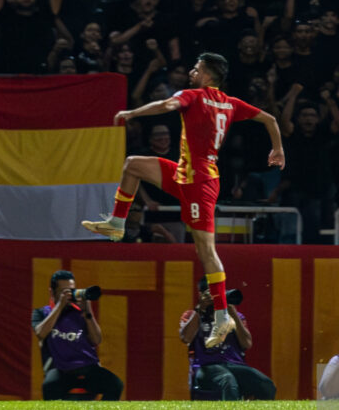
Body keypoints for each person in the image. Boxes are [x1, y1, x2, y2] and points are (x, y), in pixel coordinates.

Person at [82, 52, 285, 348]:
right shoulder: (230, 102)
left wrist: (133, 113)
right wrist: (278, 149)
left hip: (199, 182)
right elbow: (270, 119)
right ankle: (116, 223)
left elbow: (166, 105)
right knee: (133, 164)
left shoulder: (194, 95)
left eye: (196, 67)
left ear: (206, 74)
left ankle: (221, 315)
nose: (191, 71)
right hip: (186, 173)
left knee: (205, 250)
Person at [32, 270, 122, 401]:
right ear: (52, 292)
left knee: (115, 385)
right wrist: (59, 306)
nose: (68, 295)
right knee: (49, 386)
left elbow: (96, 340)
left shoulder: (80, 313)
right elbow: (40, 333)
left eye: (71, 290)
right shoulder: (42, 313)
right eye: (63, 291)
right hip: (62, 370)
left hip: (88, 367)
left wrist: (88, 312)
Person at [179, 279, 275, 401]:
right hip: (206, 366)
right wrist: (199, 309)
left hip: (235, 365)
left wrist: (233, 314)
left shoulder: (236, 316)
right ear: (201, 295)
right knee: (227, 380)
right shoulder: (192, 316)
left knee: (266, 385)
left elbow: (247, 343)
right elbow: (186, 338)